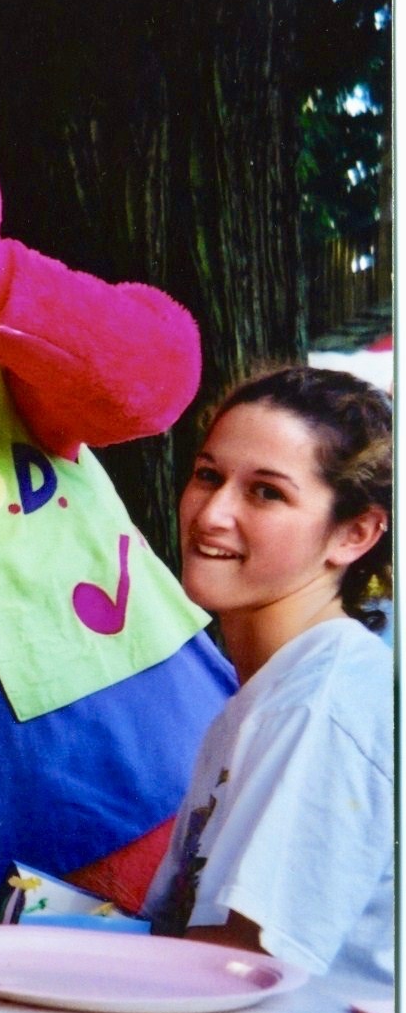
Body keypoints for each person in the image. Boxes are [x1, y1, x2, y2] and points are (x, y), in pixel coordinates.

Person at [143, 366, 393, 980]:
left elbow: (240, 974)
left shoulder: (321, 702)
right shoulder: (278, 687)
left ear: (354, 533)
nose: (212, 515)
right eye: (208, 476)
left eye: (266, 493)